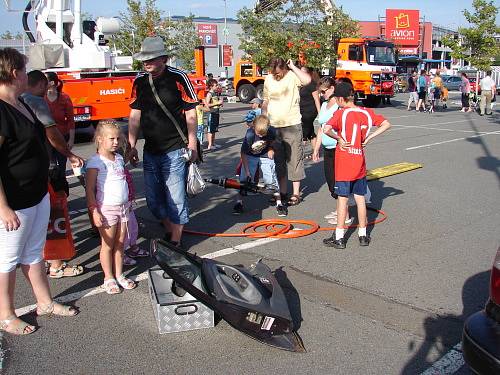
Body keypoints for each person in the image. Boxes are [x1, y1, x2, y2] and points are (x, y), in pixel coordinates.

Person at [0, 48, 79, 335]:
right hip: (14, 201)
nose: (26, 74)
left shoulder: (22, 102)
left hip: (37, 194)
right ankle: (6, 314)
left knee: (34, 253)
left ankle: (44, 302)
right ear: (14, 73)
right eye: (23, 69)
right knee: (7, 259)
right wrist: (3, 207)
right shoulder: (1, 108)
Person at [128, 36, 198, 247]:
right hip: (151, 149)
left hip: (176, 148)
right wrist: (131, 145)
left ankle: (175, 239)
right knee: (153, 200)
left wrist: (193, 144)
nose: (147, 62)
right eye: (144, 59)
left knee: (175, 197)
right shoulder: (139, 80)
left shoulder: (178, 77)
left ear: (164, 59)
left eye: (151, 58)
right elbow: (134, 115)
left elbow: (191, 112)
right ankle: (170, 229)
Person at [22, 70, 84, 278]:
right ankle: (56, 264)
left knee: (36, 221)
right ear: (41, 84)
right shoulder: (36, 102)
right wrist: (71, 155)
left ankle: (46, 260)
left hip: (24, 174)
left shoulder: (14, 101)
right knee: (53, 214)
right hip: (46, 168)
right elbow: (53, 134)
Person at [322, 82, 391, 249]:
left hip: (344, 163)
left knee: (342, 199)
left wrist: (338, 138)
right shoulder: (365, 112)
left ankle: (339, 237)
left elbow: (326, 129)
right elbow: (386, 124)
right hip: (359, 161)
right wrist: (368, 138)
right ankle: (363, 235)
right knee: (360, 199)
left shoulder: (341, 113)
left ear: (339, 99)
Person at [85, 120, 137, 294]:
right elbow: (90, 190)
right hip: (106, 209)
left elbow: (122, 182)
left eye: (118, 138)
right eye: (111, 139)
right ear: (100, 139)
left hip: (123, 208)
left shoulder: (119, 158)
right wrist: (94, 211)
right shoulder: (95, 162)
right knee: (107, 244)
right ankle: (108, 277)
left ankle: (119, 274)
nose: (116, 142)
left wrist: (128, 203)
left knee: (120, 243)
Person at [262, 57, 311, 216]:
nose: (276, 75)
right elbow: (266, 100)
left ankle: (295, 193)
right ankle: (282, 192)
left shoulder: (292, 76)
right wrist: (264, 117)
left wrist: (293, 67)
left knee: (295, 159)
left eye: (278, 72)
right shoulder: (268, 79)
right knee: (279, 161)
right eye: (273, 72)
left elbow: (308, 80)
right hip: (274, 125)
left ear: (284, 68)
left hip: (292, 124)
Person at [312, 77, 352, 225]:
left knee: (339, 182)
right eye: (320, 92)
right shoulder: (324, 105)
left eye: (323, 91)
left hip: (338, 148)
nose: (322, 94)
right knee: (331, 182)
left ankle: (345, 214)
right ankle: (340, 209)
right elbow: (321, 128)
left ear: (332, 89)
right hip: (327, 148)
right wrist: (316, 149)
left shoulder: (339, 105)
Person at [233, 115, 278, 215]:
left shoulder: (272, 131)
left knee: (272, 177)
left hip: (265, 155)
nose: (261, 136)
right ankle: (239, 202)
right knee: (244, 179)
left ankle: (279, 202)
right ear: (253, 127)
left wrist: (271, 149)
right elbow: (243, 153)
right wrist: (247, 170)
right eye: (259, 133)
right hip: (250, 155)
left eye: (263, 134)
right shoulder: (250, 135)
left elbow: (273, 140)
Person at [44, 72, 75, 196]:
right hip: (46, 139)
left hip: (62, 137)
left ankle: (62, 196)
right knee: (49, 168)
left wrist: (71, 140)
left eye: (45, 80)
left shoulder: (64, 98)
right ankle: (51, 196)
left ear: (52, 83)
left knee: (61, 168)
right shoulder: (41, 99)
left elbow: (71, 121)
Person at [298, 66, 320, 156]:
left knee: (304, 133)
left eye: (303, 72)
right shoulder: (300, 84)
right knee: (311, 132)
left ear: (307, 74)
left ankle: (300, 154)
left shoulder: (312, 84)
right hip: (302, 111)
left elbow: (317, 99)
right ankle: (316, 152)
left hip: (310, 111)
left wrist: (320, 113)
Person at [204, 78, 223, 151]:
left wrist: (220, 104)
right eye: (215, 85)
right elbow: (207, 105)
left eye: (217, 85)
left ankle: (213, 143)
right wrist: (217, 103)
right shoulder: (209, 94)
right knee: (210, 130)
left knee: (214, 129)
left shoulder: (215, 93)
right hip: (211, 113)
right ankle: (209, 145)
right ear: (211, 86)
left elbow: (216, 103)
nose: (217, 86)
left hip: (216, 113)